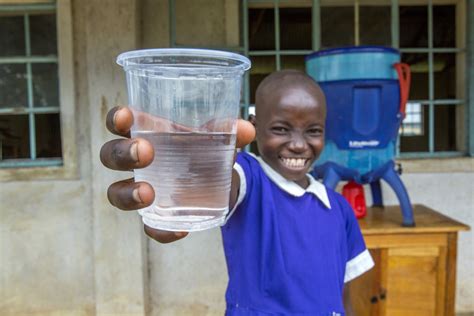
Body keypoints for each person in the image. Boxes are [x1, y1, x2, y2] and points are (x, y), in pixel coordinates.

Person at [100, 69, 374, 315]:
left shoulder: (338, 208)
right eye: (281, 129)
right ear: (254, 126)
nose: (299, 145)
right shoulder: (250, 176)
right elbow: (225, 183)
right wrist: (193, 168)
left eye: (313, 131)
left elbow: (345, 294)